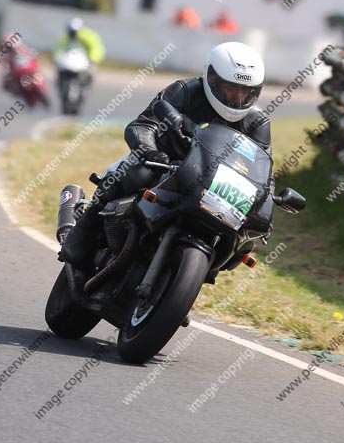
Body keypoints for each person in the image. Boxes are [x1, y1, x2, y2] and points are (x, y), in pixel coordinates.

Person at [60, 41, 271, 272]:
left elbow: (261, 170)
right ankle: (82, 230)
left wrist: (265, 202)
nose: (238, 97)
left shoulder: (257, 122)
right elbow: (143, 125)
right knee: (136, 171)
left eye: (246, 91)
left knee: (244, 241)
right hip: (163, 164)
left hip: (210, 185)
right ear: (212, 79)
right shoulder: (185, 92)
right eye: (231, 88)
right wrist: (151, 152)